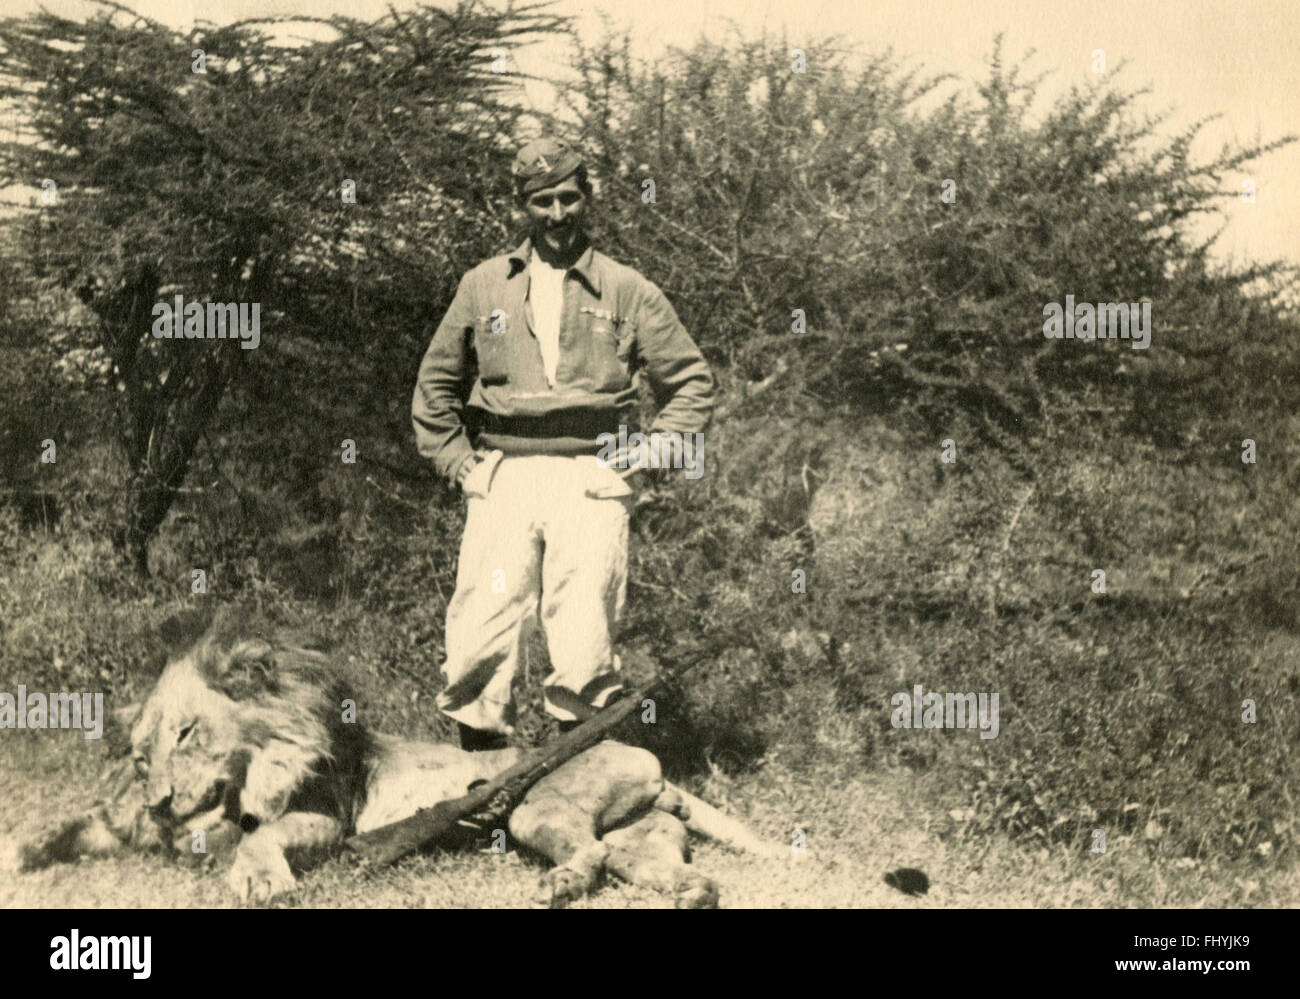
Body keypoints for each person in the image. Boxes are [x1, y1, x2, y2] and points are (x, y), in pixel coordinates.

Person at [411, 138, 715, 750]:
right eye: (542, 201)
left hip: (591, 475)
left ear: (588, 198)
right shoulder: (483, 285)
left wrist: (656, 447)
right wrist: (457, 462)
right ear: (522, 206)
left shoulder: (628, 289)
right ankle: (482, 779)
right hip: (505, 472)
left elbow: (692, 381)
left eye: (569, 198)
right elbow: (436, 382)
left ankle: (580, 770)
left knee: (583, 630)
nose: (557, 214)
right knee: (483, 625)